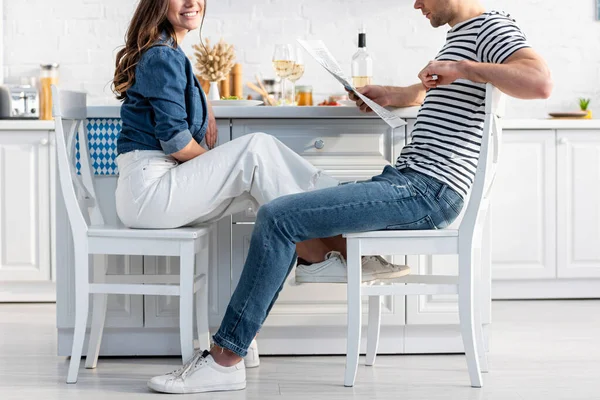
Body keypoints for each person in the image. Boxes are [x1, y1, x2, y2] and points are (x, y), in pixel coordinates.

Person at [146, 0, 553, 394]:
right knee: (297, 200)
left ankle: (224, 361)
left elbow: (540, 82)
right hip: (408, 182)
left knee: (277, 216)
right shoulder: (459, 35)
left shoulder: (491, 28)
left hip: (426, 191)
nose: (416, 6)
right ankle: (331, 258)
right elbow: (446, 88)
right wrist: (397, 94)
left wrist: (464, 66)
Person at [113, 0, 408, 390]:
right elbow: (176, 142)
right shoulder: (161, 56)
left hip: (155, 185)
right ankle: (332, 235)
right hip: (148, 190)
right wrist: (219, 161)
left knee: (272, 202)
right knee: (254, 152)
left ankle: (245, 334)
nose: (191, 2)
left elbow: (179, 128)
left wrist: (206, 111)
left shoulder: (169, 53)